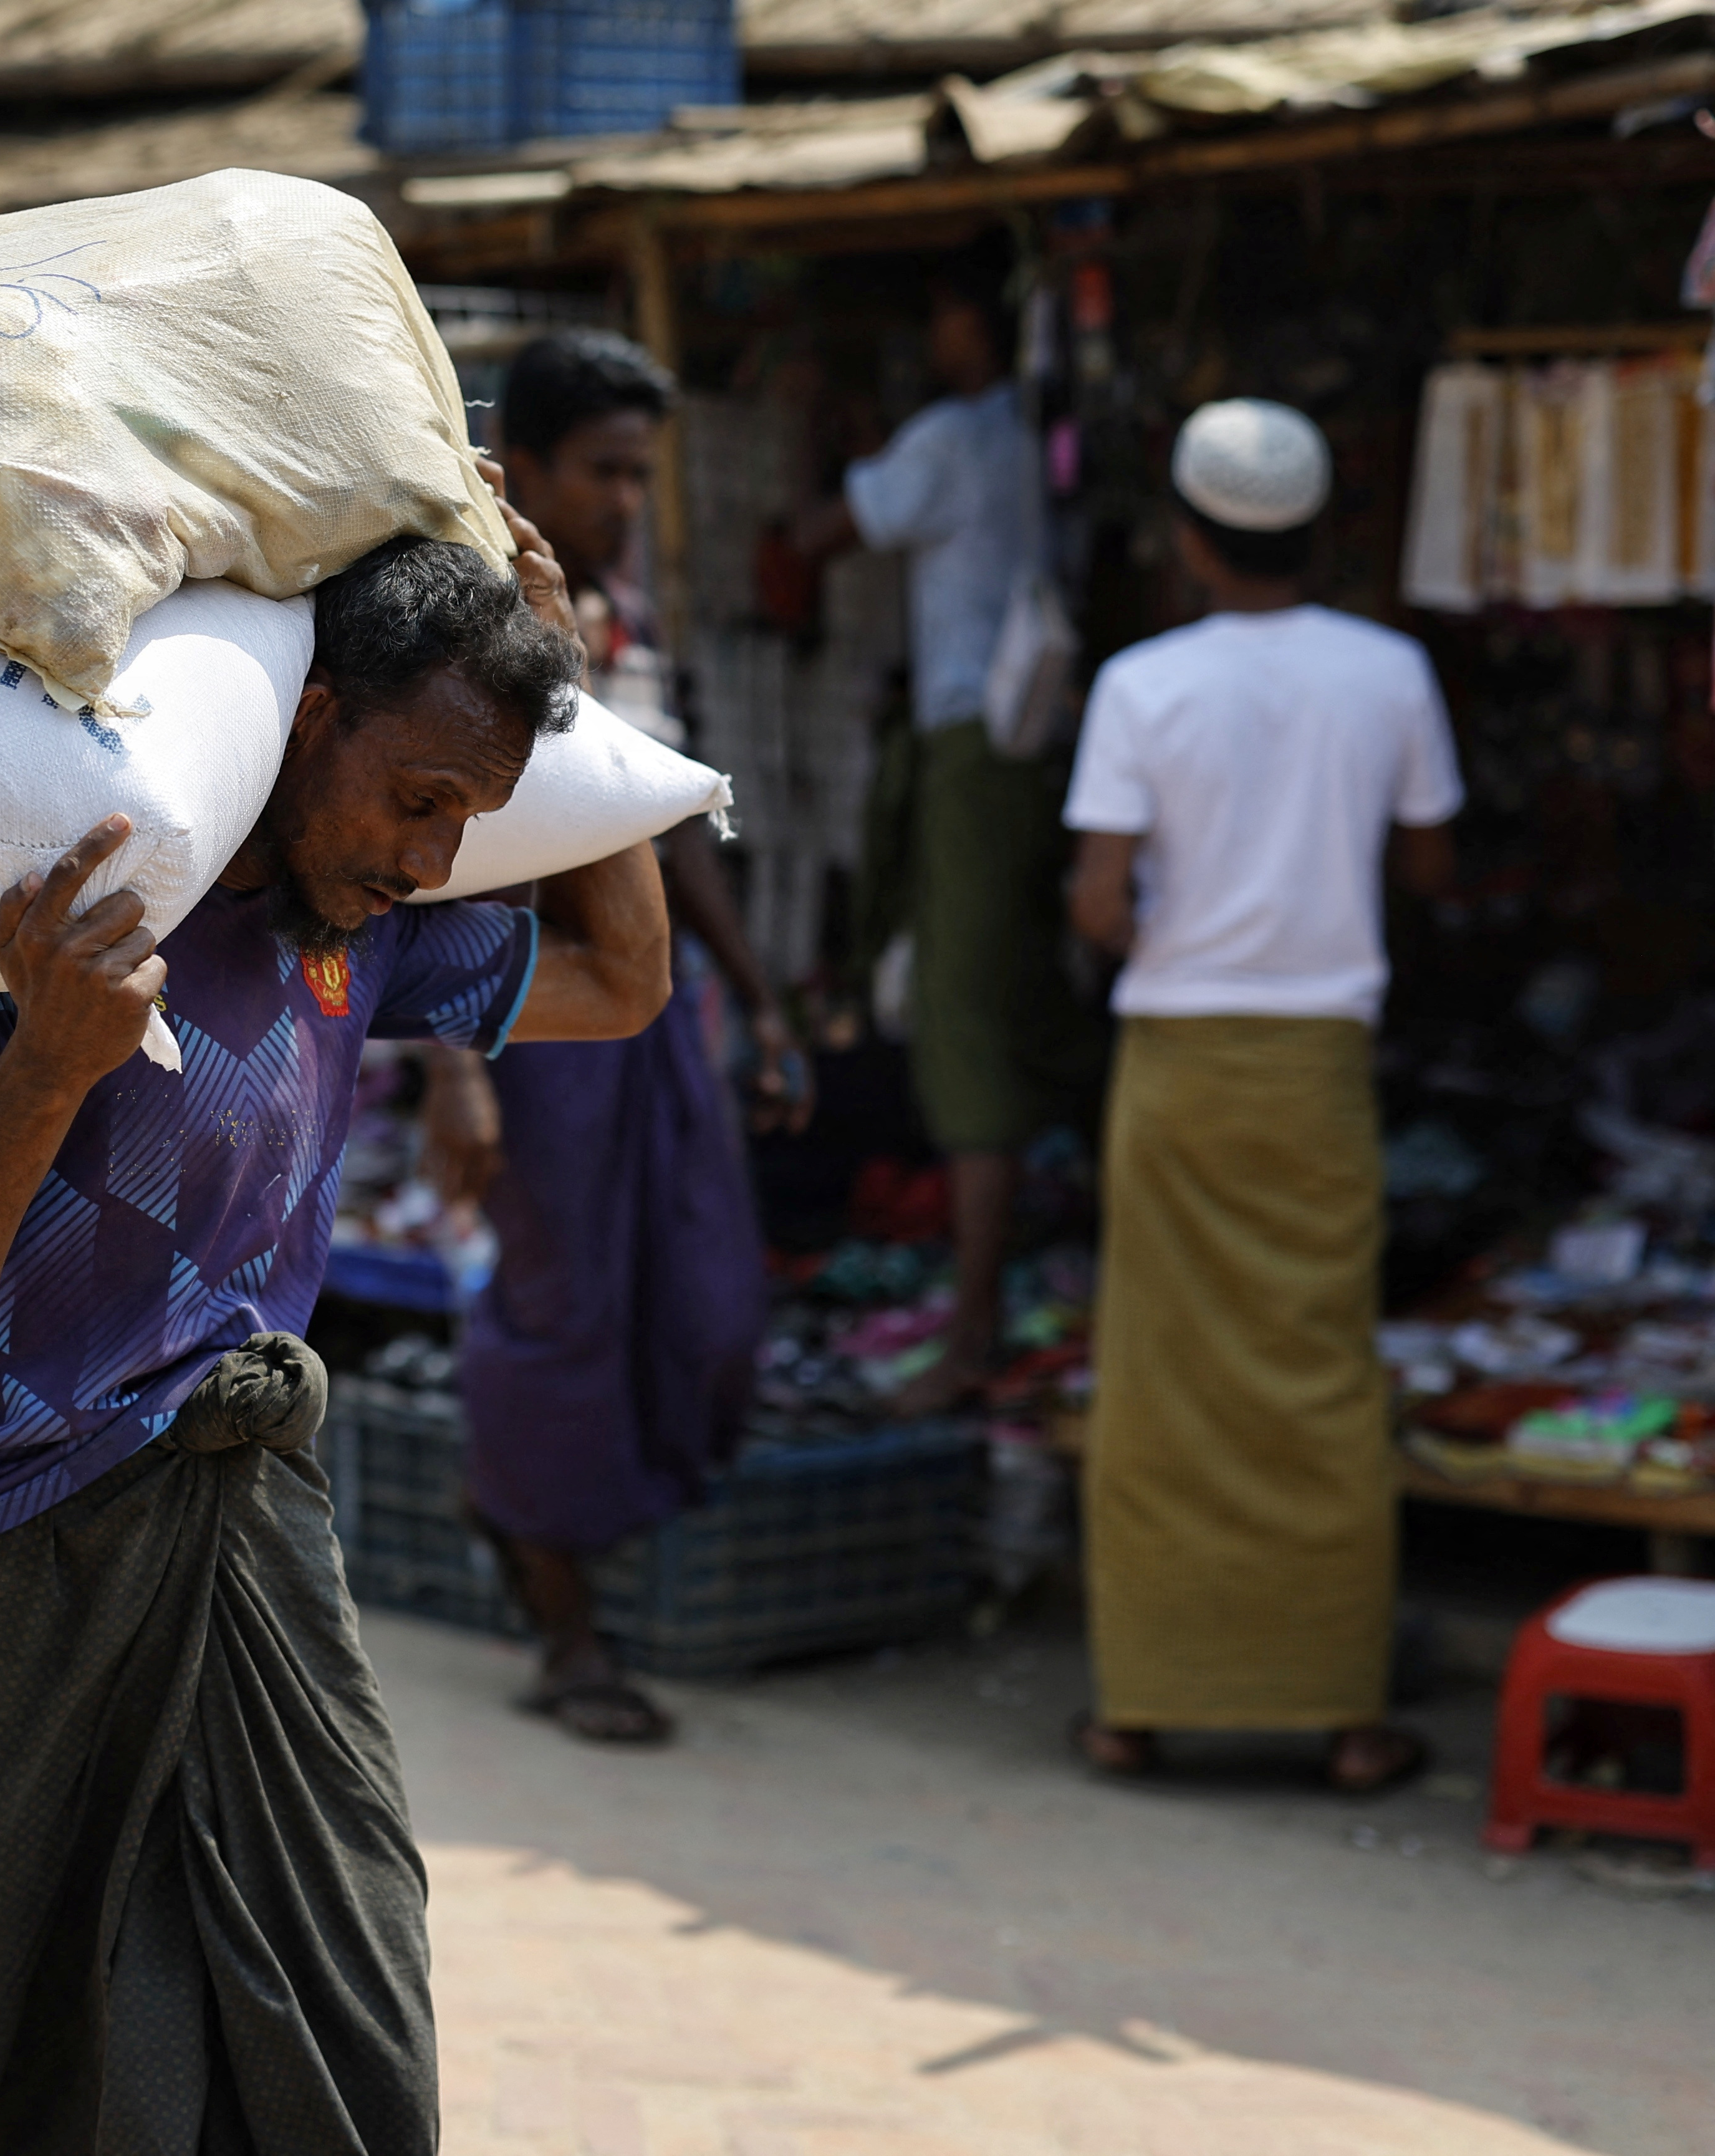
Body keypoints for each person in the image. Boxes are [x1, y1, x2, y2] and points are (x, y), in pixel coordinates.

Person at [0, 515, 672, 2154]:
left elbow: (622, 976)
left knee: (347, 2032)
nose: (438, 854)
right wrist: (47, 1061)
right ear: (306, 721)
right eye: (420, 798)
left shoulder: (357, 926)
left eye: (474, 816)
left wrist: (558, 660)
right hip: (13, 1559)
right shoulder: (29, 920)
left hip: (259, 1539)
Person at [1062, 400, 1456, 1795]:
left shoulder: (1142, 684)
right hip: (1314, 1069)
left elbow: (1101, 901)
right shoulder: (1391, 672)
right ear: (1321, 533)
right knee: (1320, 1372)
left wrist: (1175, 919)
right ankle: (1344, 1718)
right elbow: (1427, 867)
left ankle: (1138, 1708)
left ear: (1188, 541)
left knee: (1162, 1374)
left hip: (1178, 1060)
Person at [424, 331, 804, 1746]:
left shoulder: (623, 626)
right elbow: (428, 865)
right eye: (604, 472)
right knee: (560, 1318)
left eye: (641, 476)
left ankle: (530, 1528)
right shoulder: (461, 623)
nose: (627, 500)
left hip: (643, 1015)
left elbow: (652, 824)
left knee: (705, 1305)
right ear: (519, 469)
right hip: (522, 1016)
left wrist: (755, 993)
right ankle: (563, 1631)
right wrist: (455, 1070)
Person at [786, 233, 1098, 1410]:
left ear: (969, 324)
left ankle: (969, 1330)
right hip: (1035, 746)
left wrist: (814, 432)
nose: (932, 342)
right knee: (1025, 990)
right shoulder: (1035, 437)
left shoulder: (953, 439)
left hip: (973, 742)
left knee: (965, 1019)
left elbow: (816, 532)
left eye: (941, 320)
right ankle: (1026, 1274)